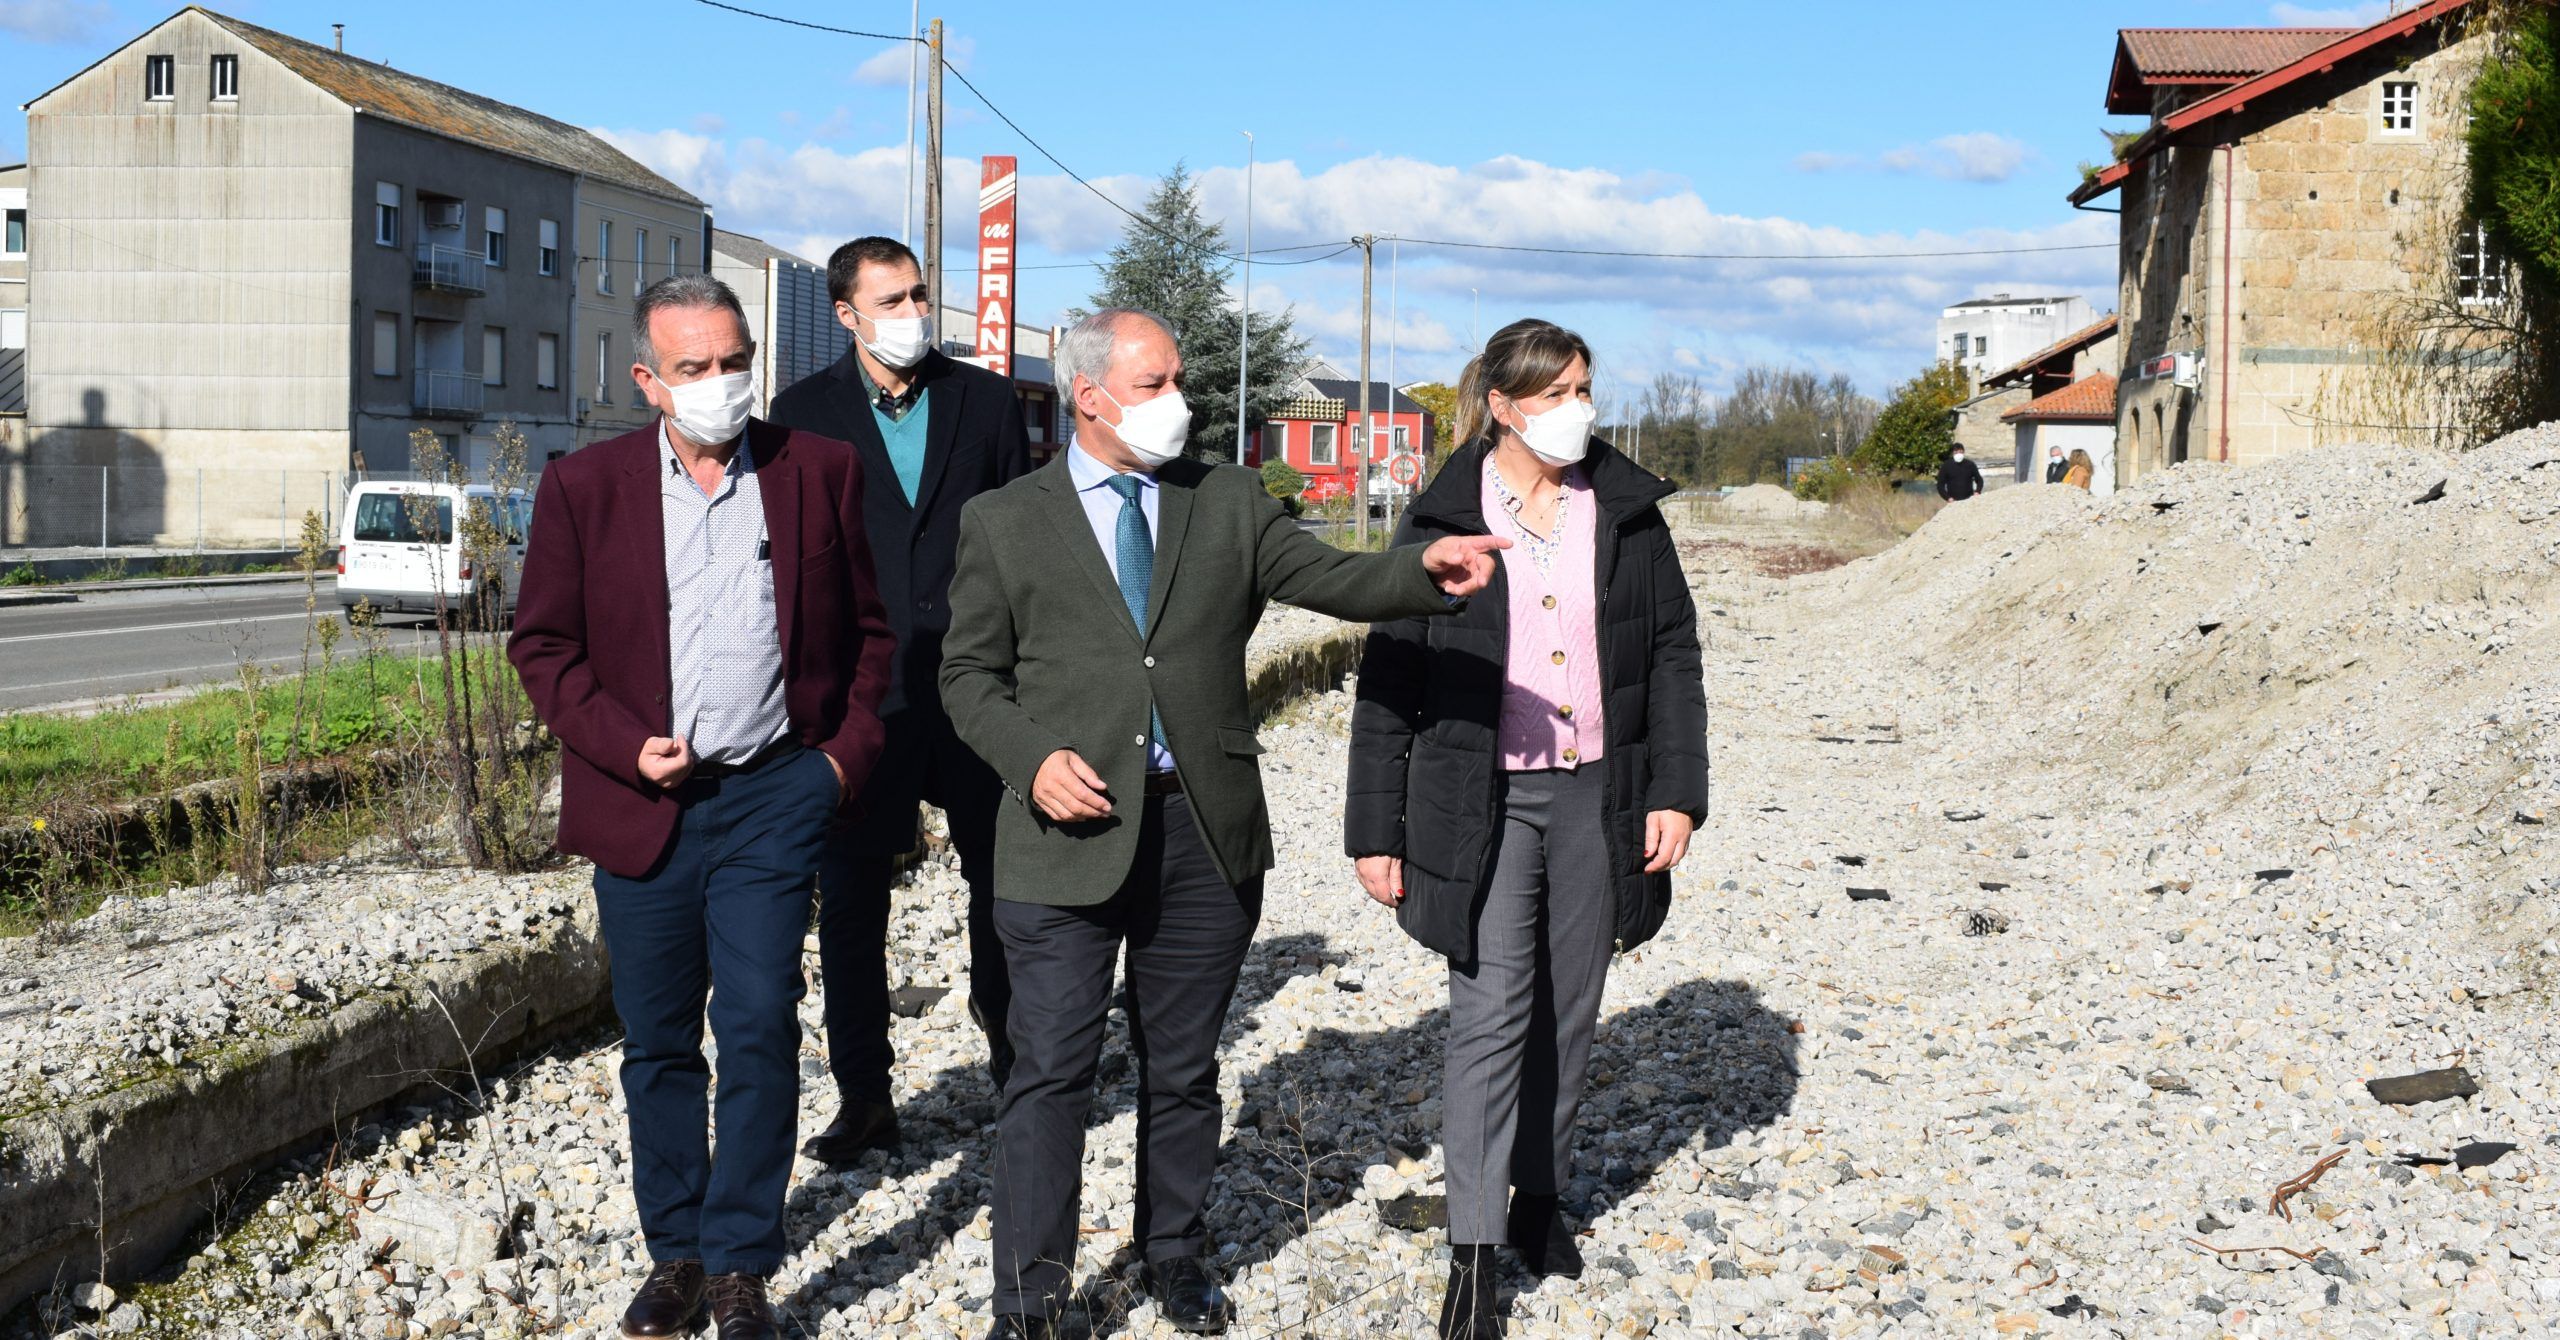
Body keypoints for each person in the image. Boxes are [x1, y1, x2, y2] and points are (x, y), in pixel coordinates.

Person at [939, 309, 1509, 1339]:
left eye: (1177, 377)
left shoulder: (1228, 499)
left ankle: (1175, 1253)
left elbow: (1332, 577)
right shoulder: (1004, 520)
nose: (1178, 401)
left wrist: (1419, 571)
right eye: (1153, 382)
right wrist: (1029, 760)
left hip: (1203, 829)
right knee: (1050, 1070)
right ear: (1091, 396)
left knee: (1184, 1061)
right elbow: (967, 677)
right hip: (1060, 840)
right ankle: (1028, 1299)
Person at [509, 275, 893, 1340]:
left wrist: (837, 764)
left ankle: (738, 1262)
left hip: (774, 792)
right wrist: (625, 743)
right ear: (648, 379)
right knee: (660, 1040)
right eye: (694, 368)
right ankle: (674, 1251)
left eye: (735, 361)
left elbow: (871, 633)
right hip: (644, 804)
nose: (721, 383)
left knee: (762, 1022)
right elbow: (542, 646)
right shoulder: (585, 488)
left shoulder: (819, 472)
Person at [1345, 319, 1709, 1340]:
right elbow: (1388, 680)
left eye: (1583, 388)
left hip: (1601, 791)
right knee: (1489, 1014)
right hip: (1481, 801)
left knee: (1571, 1011)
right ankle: (1471, 1254)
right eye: (1552, 394)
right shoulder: (1439, 517)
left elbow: (1671, 652)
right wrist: (1376, 825)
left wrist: (1675, 790)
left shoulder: (1627, 514)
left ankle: (1541, 1198)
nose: (1575, 410)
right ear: (1502, 407)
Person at [767, 236, 1035, 1161]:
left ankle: (1018, 1073)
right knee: (849, 903)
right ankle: (865, 1097)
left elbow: (1028, 540)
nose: (914, 312)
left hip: (980, 692)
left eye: (921, 294)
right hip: (861, 701)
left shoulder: (987, 401)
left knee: (1006, 889)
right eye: (892, 300)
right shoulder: (800, 414)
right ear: (846, 314)